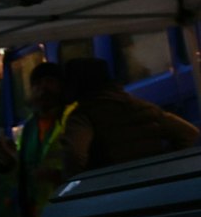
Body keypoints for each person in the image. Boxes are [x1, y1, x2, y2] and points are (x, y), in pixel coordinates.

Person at [60, 56, 198, 176]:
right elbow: (190, 134)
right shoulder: (142, 107)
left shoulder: (83, 116)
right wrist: (166, 161)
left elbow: (75, 154)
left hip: (113, 189)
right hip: (155, 182)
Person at [10, 61, 75, 217]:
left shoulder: (72, 117)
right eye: (37, 84)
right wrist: (7, 161)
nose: (43, 88)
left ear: (61, 86)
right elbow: (19, 176)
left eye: (49, 81)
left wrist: (55, 176)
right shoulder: (29, 127)